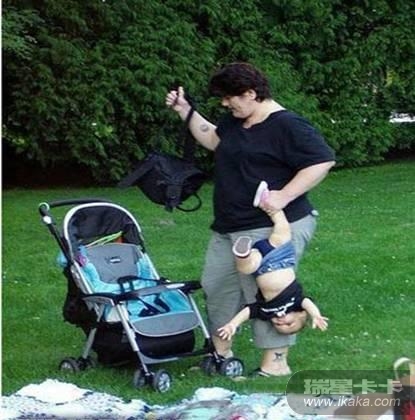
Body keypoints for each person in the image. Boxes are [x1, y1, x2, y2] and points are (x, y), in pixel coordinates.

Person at [165, 62, 335, 376]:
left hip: (273, 226)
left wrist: (284, 195)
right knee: (217, 286)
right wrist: (184, 110)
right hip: (230, 224)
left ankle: (275, 364)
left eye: (229, 97)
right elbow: (214, 140)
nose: (224, 104)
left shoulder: (288, 125)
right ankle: (221, 355)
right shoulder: (235, 121)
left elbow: (321, 161)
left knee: (268, 291)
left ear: (251, 93)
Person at [217, 180, 328, 352]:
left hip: (261, 267)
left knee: (246, 267)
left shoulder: (266, 311)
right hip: (280, 258)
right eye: (289, 323)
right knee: (283, 230)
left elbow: (249, 311)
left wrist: (232, 324)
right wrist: (316, 315)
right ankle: (267, 201)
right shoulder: (296, 303)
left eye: (278, 325)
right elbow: (307, 303)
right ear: (300, 314)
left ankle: (242, 253)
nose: (281, 322)